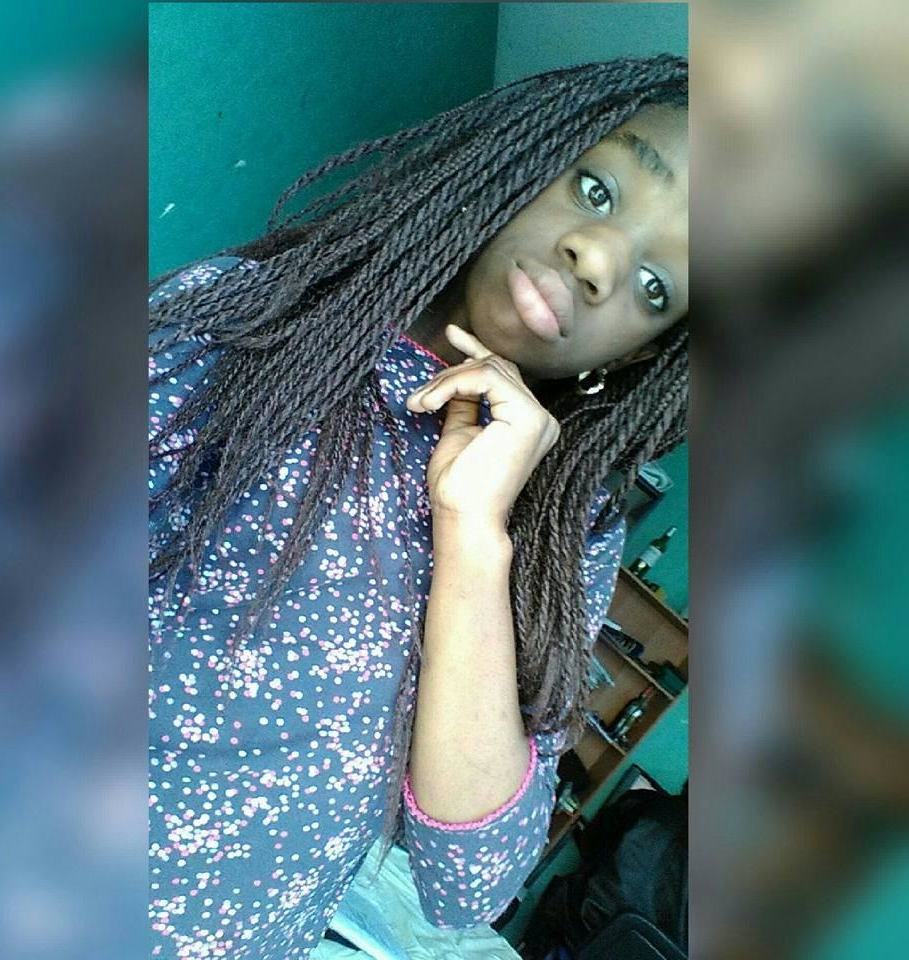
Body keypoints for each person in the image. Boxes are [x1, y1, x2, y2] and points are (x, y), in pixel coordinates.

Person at [149, 54, 688, 959]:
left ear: (636, 357)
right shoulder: (253, 322)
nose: (598, 259)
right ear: (522, 158)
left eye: (656, 288)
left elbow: (466, 885)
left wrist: (474, 540)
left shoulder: (565, 528)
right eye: (596, 189)